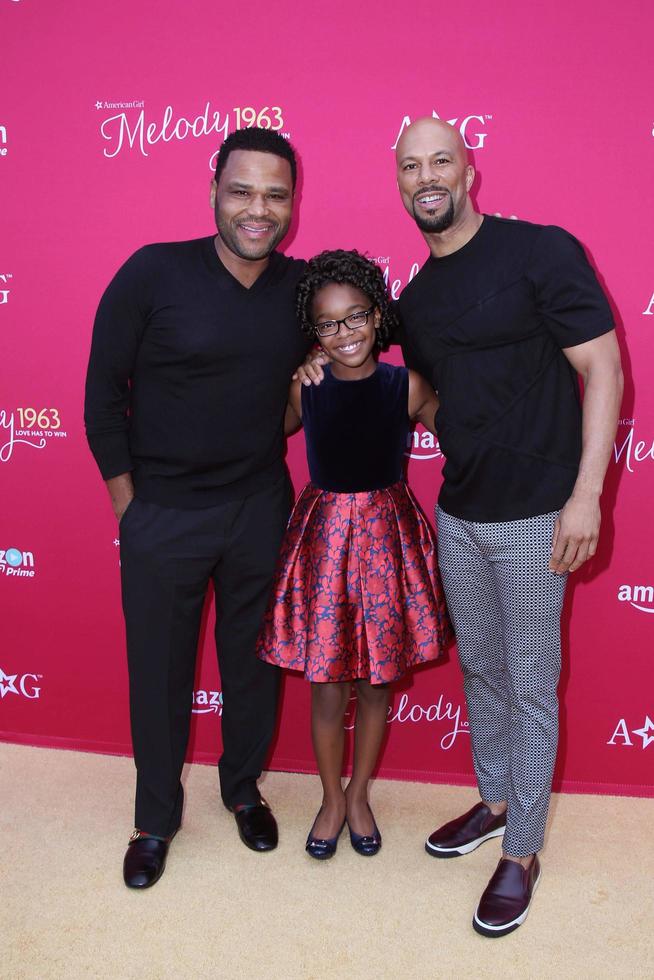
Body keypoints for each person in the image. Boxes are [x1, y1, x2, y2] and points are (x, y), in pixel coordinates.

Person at [393, 117, 624, 936]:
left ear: (469, 169)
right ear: (401, 180)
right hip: (459, 513)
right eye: (411, 164)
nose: (427, 176)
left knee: (529, 688)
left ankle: (521, 852)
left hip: (538, 515)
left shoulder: (540, 251)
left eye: (441, 160)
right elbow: (422, 395)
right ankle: (495, 803)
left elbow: (603, 366)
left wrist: (588, 493)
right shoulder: (413, 301)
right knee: (484, 675)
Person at [84, 128, 313, 889]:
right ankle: (155, 819)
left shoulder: (301, 290)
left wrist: (307, 389)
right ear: (214, 189)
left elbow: (282, 415)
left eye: (275, 195)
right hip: (164, 515)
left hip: (258, 506)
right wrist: (131, 511)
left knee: (253, 666)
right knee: (159, 672)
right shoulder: (153, 272)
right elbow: (99, 401)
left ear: (292, 203)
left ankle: (242, 789)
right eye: (243, 191)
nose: (259, 209)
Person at [257, 250, 452, 859]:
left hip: (389, 539)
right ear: (312, 333)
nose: (345, 334)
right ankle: (331, 798)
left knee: (376, 684)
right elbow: (271, 427)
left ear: (377, 313)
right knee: (326, 687)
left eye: (356, 317)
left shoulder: (408, 386)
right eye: (328, 324)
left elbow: (469, 438)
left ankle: (361, 792)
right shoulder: (304, 388)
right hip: (324, 543)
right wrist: (300, 367)